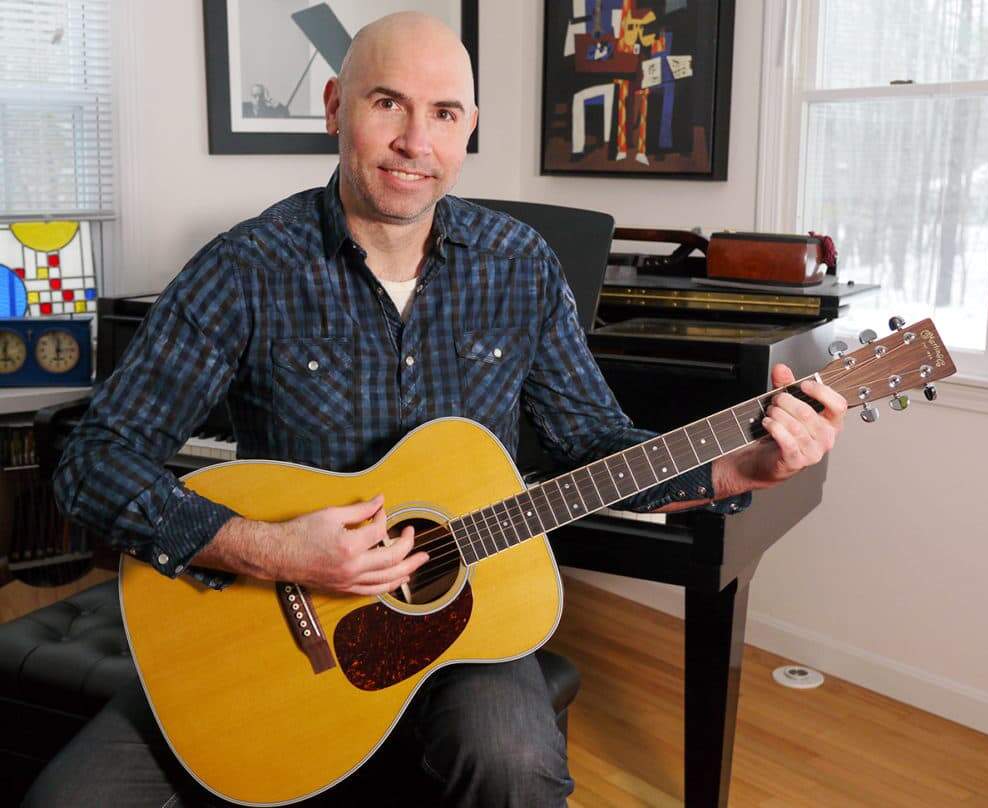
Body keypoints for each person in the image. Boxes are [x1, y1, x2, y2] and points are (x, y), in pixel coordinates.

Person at [31, 12, 847, 808]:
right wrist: (270, 549)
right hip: (272, 624)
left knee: (516, 767)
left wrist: (742, 465)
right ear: (334, 108)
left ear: (467, 130)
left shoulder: (519, 267)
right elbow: (93, 460)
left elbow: (592, 446)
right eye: (387, 102)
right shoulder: (245, 268)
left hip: (465, 620)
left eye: (444, 113)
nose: (415, 142)